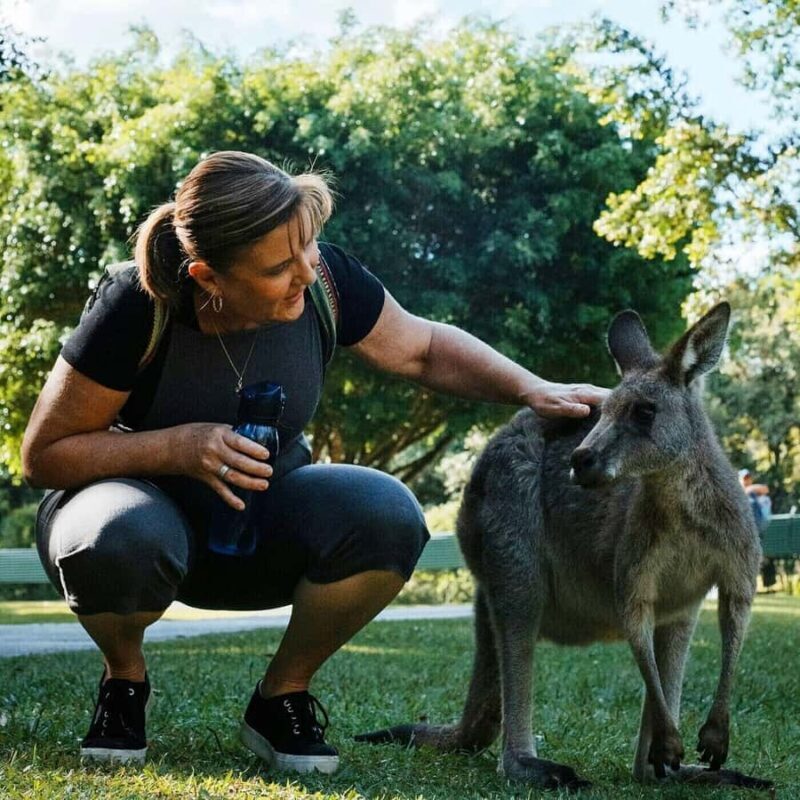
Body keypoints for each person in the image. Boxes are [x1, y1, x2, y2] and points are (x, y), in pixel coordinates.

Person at [22, 151, 609, 773]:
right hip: (136, 526)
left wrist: (531, 388)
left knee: (387, 514)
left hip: (260, 518)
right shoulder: (137, 305)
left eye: (309, 249)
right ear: (208, 276)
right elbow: (45, 455)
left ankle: (282, 697)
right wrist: (177, 446)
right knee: (122, 534)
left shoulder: (323, 280)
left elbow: (424, 348)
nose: (305, 271)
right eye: (279, 266)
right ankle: (124, 681)